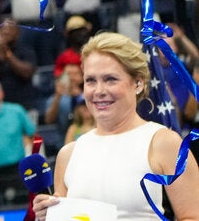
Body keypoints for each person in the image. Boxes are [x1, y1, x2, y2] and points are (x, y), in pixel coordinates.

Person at [32, 33, 199, 220]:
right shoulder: (68, 154)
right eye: (91, 80)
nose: (99, 91)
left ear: (137, 83)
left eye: (110, 79)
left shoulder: (165, 143)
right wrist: (49, 214)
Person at [0, 77, 35, 210]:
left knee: (21, 207)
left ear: (2, 93)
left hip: (17, 170)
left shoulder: (17, 111)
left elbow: (32, 134)